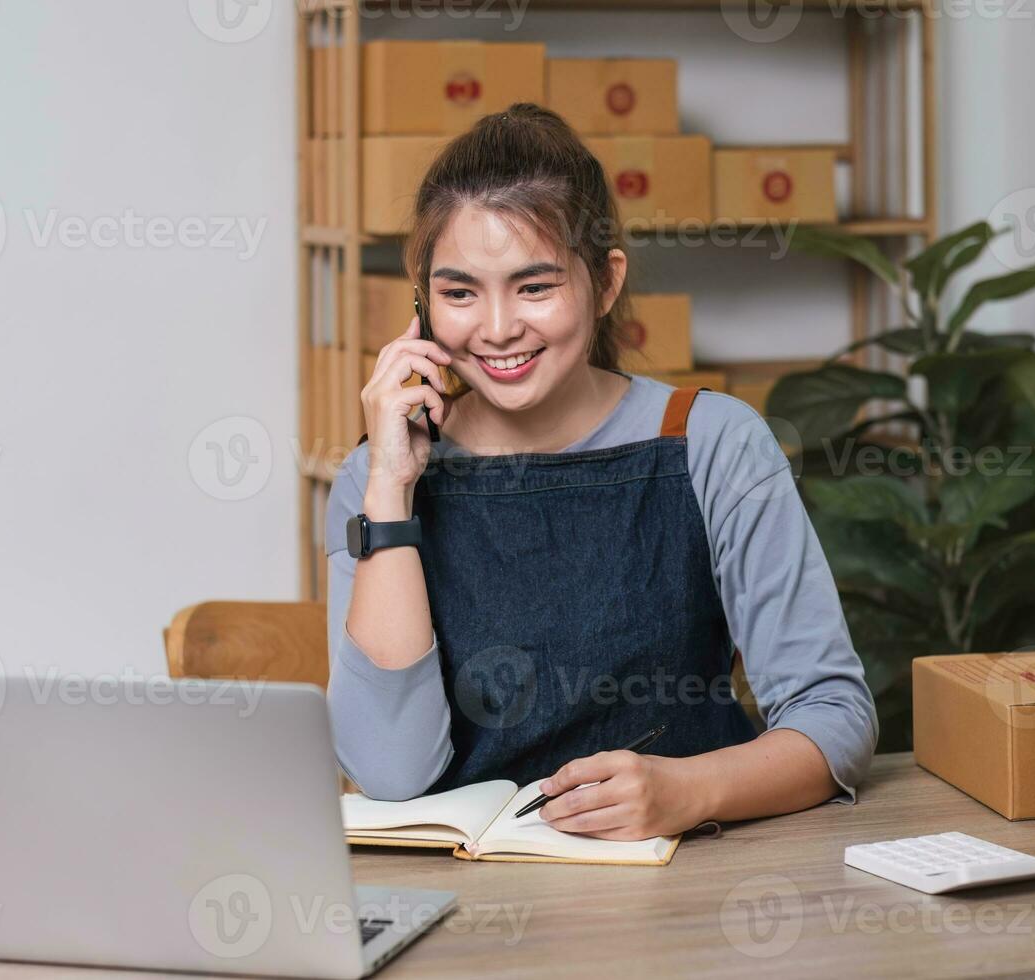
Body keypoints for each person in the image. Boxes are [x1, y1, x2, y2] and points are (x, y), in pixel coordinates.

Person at [325, 103, 876, 841]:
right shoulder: (375, 479)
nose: (495, 328)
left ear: (605, 283)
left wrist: (688, 788)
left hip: (692, 882)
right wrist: (390, 491)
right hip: (480, 906)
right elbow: (391, 775)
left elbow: (834, 720)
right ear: (422, 306)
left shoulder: (713, 443)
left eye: (535, 287)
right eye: (459, 293)